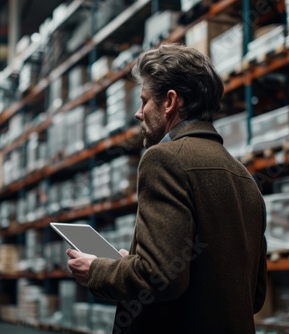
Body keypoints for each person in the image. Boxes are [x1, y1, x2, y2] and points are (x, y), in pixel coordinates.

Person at [66, 44, 267, 333]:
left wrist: (98, 269)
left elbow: (159, 278)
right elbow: (255, 294)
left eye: (144, 101)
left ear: (170, 102)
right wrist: (131, 264)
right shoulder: (244, 178)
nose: (138, 113)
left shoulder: (164, 159)